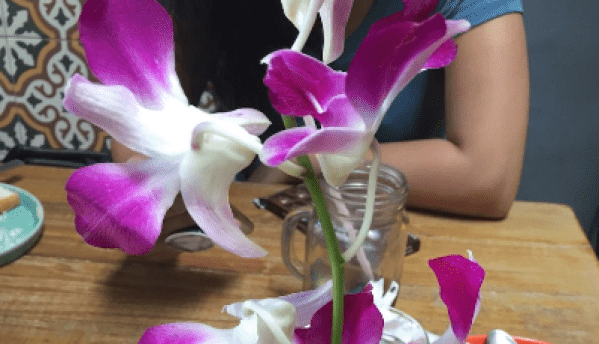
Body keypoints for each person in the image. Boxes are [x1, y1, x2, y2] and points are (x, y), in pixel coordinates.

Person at [112, 0, 528, 221]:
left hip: (396, 232)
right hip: (261, 225)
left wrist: (304, 157)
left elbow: (487, 176)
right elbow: (139, 134)